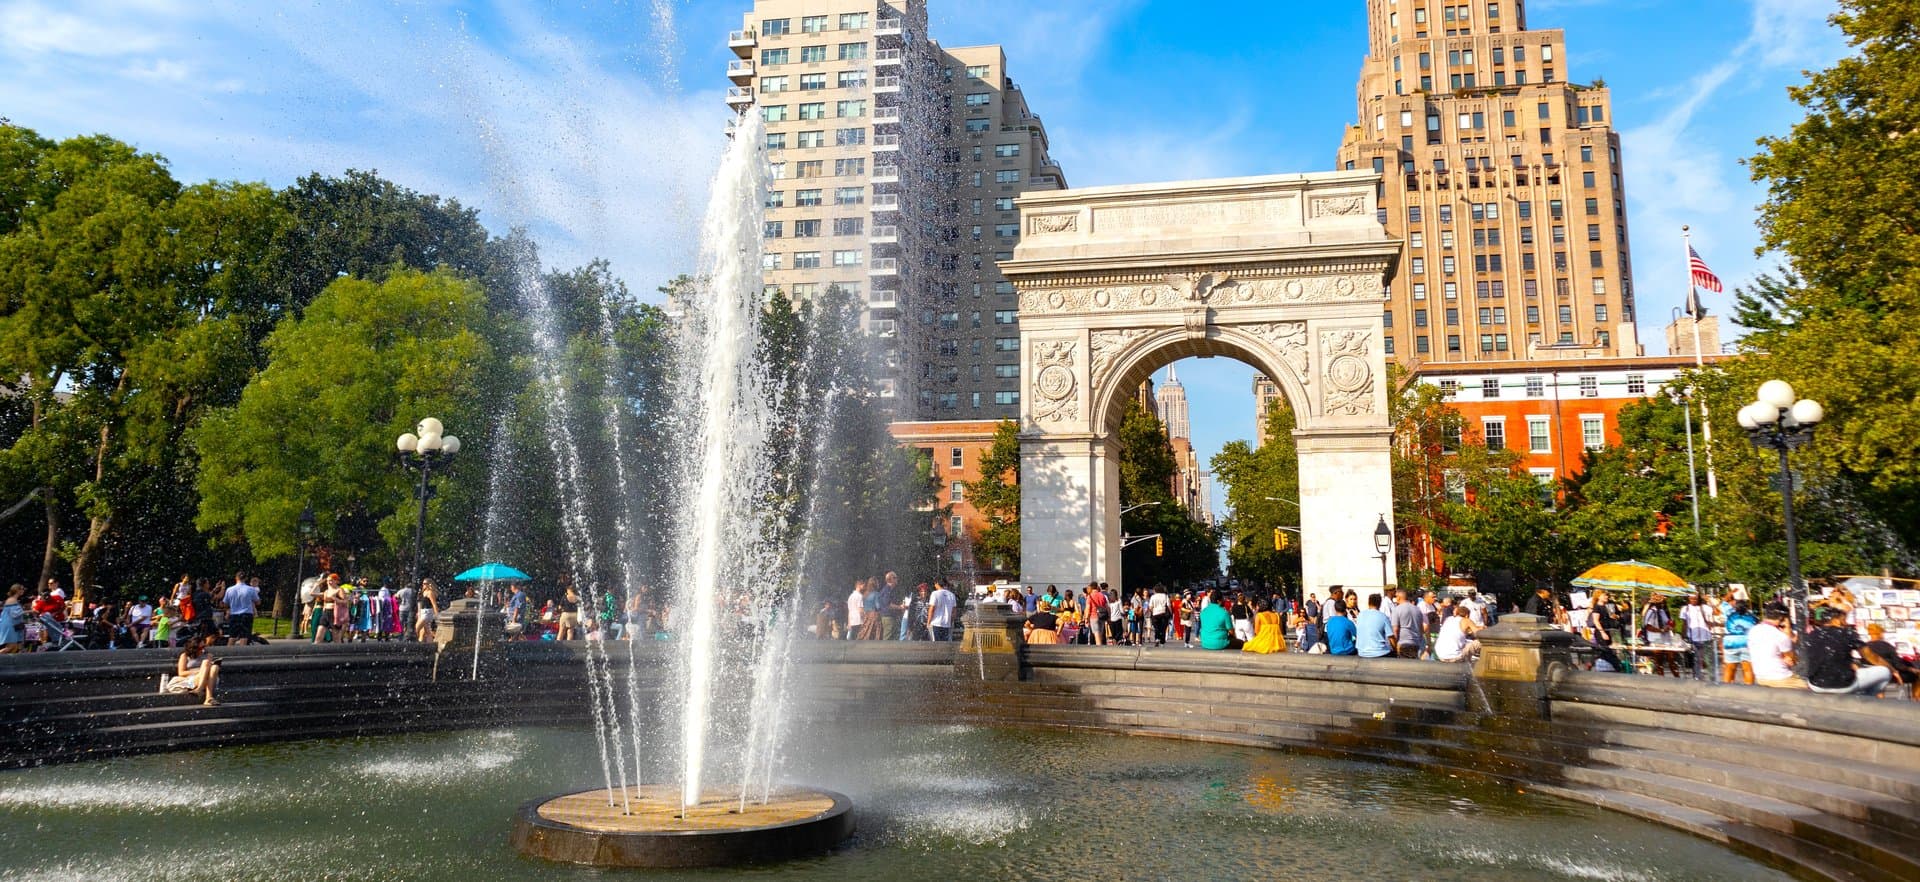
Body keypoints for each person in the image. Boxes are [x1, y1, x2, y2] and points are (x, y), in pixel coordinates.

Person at [1802, 606, 1893, 696]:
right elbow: (1872, 657)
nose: (1846, 624)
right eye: (1844, 620)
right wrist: (1892, 669)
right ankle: (1867, 699)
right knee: (1884, 672)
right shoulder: (1847, 633)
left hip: (1816, 685)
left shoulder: (1812, 635)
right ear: (1836, 621)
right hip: (1844, 685)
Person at [1748, 603, 1804, 689]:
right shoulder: (1780, 635)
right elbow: (1792, 660)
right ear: (1783, 618)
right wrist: (1788, 630)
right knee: (1810, 688)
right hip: (1781, 677)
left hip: (1760, 677)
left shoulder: (1753, 630)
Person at [1860, 624, 1919, 700]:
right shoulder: (1887, 646)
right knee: (1916, 676)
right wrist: (1911, 669)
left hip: (1871, 675)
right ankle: (1915, 698)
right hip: (1890, 675)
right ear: (1880, 633)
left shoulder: (1864, 647)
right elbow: (1899, 665)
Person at [163, 636, 222, 706]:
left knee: (215, 667)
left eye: (204, 647)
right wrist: (200, 671)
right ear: (194, 647)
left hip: (209, 678)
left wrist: (206, 669)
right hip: (193, 678)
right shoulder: (185, 656)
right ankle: (208, 697)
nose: (203, 650)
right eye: (201, 648)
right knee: (206, 663)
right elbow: (181, 673)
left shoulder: (208, 655)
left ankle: (200, 690)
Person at [1679, 594, 1716, 680]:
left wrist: (1709, 601)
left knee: (1709, 660)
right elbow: (1684, 623)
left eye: (1695, 598)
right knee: (1696, 659)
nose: (1693, 600)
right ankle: (1697, 677)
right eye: (1691, 599)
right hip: (1693, 638)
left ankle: (1712, 678)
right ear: (1688, 599)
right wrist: (1682, 636)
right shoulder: (1685, 609)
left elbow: (1716, 611)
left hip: (1706, 637)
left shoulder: (1705, 607)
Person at [1721, 600, 1758, 685]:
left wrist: (1732, 593)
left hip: (1730, 643)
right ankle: (1749, 689)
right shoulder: (1752, 617)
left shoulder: (1729, 613)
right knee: (1748, 669)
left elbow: (1723, 602)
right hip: (1746, 643)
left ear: (1735, 607)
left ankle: (1726, 688)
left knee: (1729, 668)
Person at [223, 572, 261, 645]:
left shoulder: (229, 589)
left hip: (234, 615)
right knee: (244, 637)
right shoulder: (250, 589)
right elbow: (258, 602)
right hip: (246, 615)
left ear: (236, 578)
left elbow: (225, 603)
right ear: (246, 579)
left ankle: (228, 653)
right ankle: (241, 654)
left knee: (232, 636)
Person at [1389, 589, 1426, 660]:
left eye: (1396, 597)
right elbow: (1421, 629)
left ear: (1399, 597)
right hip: (1415, 643)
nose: (1395, 599)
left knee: (1404, 668)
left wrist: (1395, 645)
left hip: (1403, 643)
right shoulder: (1417, 610)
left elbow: (1395, 629)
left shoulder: (1397, 609)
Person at [0, 584, 26, 653]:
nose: (23, 590)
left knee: (14, 647)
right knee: (10, 647)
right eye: (22, 589)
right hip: (10, 625)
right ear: (17, 590)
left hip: (13, 625)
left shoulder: (13, 600)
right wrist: (30, 611)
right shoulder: (12, 600)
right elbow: (15, 614)